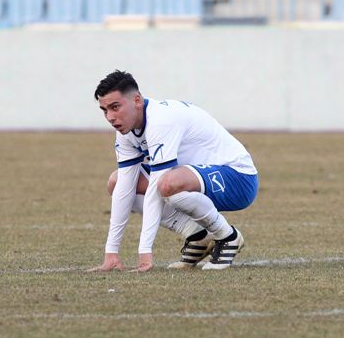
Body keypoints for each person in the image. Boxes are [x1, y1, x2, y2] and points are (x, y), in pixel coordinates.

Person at [88, 70, 258, 272]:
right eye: (104, 110)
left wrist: (145, 252)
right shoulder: (126, 130)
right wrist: (111, 252)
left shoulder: (160, 120)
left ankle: (227, 236)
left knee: (168, 184)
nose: (110, 117)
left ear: (137, 100)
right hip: (191, 178)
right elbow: (124, 189)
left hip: (239, 178)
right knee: (116, 183)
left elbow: (156, 191)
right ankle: (197, 236)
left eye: (115, 107)